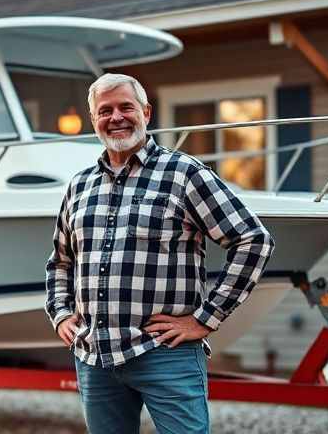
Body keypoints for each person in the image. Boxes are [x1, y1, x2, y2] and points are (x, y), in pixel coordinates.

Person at [45, 73, 275, 434]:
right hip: (95, 358)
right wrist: (60, 313)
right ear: (94, 120)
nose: (116, 117)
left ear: (146, 112)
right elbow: (61, 261)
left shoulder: (184, 174)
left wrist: (204, 319)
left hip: (166, 353)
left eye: (126, 107)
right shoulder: (79, 185)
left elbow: (253, 240)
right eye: (105, 110)